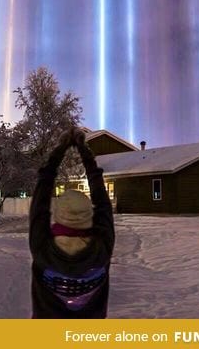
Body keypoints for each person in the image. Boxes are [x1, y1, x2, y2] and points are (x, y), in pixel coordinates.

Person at [29, 127, 115, 318]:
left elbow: (41, 194)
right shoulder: (101, 248)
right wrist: (83, 150)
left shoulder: (42, 248)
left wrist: (60, 149)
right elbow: (102, 199)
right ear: (89, 216)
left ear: (58, 214)